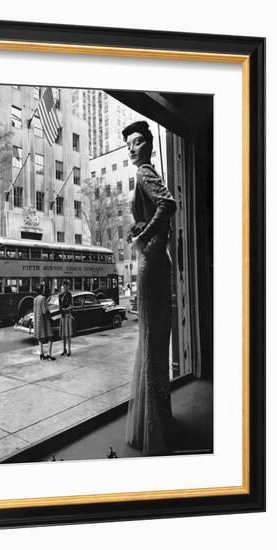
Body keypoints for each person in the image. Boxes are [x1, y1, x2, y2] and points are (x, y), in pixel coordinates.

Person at [122, 120, 177, 455]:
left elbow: (168, 205)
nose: (132, 148)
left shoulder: (144, 172)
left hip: (151, 263)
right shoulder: (147, 172)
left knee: (152, 341)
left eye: (138, 142)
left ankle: (154, 427)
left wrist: (142, 235)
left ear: (150, 145)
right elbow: (162, 208)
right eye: (129, 143)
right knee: (155, 342)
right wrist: (140, 230)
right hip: (156, 261)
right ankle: (158, 422)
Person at [32, 285, 55, 361]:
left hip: (37, 320)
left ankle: (42, 354)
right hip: (44, 321)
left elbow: (35, 311)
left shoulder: (35, 299)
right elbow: (44, 311)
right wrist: (50, 313)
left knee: (40, 338)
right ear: (41, 290)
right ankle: (49, 354)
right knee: (50, 336)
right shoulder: (43, 298)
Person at [58, 281, 73, 356]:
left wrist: (65, 309)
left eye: (63, 288)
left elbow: (71, 306)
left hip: (67, 315)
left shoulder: (69, 295)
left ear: (66, 288)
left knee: (68, 335)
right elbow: (59, 306)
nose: (62, 289)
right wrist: (61, 310)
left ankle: (69, 350)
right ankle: (64, 349)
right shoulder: (59, 296)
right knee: (63, 335)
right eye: (61, 288)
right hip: (62, 316)